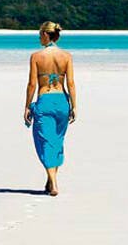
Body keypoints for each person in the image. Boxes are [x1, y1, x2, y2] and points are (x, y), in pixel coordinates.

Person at [23, 21, 77, 196]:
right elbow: (70, 83)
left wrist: (27, 106)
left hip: (45, 100)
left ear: (46, 35)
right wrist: (74, 106)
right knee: (56, 141)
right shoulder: (66, 56)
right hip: (62, 101)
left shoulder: (36, 57)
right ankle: (50, 179)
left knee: (45, 141)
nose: (39, 38)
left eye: (40, 34)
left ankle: (53, 182)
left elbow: (32, 84)